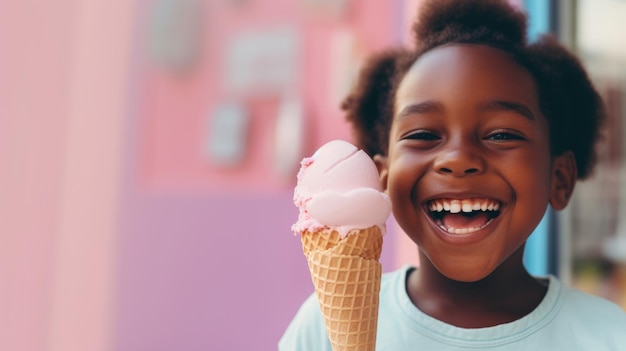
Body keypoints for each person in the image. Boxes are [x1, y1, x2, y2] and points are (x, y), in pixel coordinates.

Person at [279, 0, 626, 349]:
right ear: (381, 180)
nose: (458, 160)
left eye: (501, 134)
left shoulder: (608, 336)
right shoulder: (320, 329)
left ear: (559, 179)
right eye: (423, 135)